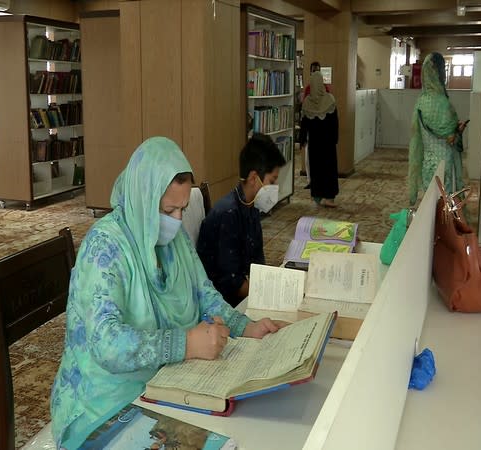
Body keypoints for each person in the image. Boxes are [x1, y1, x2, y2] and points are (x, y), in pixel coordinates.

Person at [50, 136, 285, 449]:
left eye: (183, 209)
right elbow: (106, 345)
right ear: (143, 198)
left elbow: (206, 294)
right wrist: (186, 343)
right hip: (103, 403)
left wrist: (247, 327)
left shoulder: (171, 239)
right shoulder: (104, 247)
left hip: (164, 383)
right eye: (168, 209)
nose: (176, 221)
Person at [196, 133, 286, 307]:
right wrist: (267, 298)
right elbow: (231, 282)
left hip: (239, 293)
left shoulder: (250, 207)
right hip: (220, 302)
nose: (275, 188)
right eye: (272, 180)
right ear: (254, 178)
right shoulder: (228, 214)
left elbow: (257, 261)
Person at [408, 52, 467, 206]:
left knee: (430, 203)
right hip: (444, 163)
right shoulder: (443, 104)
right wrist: (459, 130)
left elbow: (419, 136)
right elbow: (451, 138)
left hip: (428, 163)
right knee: (444, 205)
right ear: (440, 74)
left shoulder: (421, 102)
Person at [299, 70, 340, 208]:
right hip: (328, 143)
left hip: (315, 144)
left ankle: (317, 196)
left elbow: (304, 124)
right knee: (328, 169)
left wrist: (303, 140)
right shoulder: (330, 99)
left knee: (316, 169)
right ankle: (329, 197)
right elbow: (335, 123)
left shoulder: (307, 103)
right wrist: (335, 139)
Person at [300, 61, 332, 187]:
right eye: (313, 70)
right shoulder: (308, 88)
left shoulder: (325, 89)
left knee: (321, 156)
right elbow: (305, 109)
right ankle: (310, 180)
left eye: (317, 70)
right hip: (311, 127)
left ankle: (319, 179)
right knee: (309, 156)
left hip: (322, 127)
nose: (315, 73)